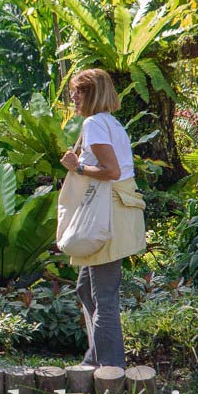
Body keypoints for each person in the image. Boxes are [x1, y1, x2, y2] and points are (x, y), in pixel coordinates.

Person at [59, 68, 146, 369]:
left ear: (92, 94)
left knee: (104, 297)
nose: (73, 96)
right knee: (86, 287)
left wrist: (77, 167)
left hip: (107, 214)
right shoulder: (110, 122)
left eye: (79, 91)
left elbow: (112, 172)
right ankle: (94, 358)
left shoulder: (94, 123)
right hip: (117, 211)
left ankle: (109, 371)